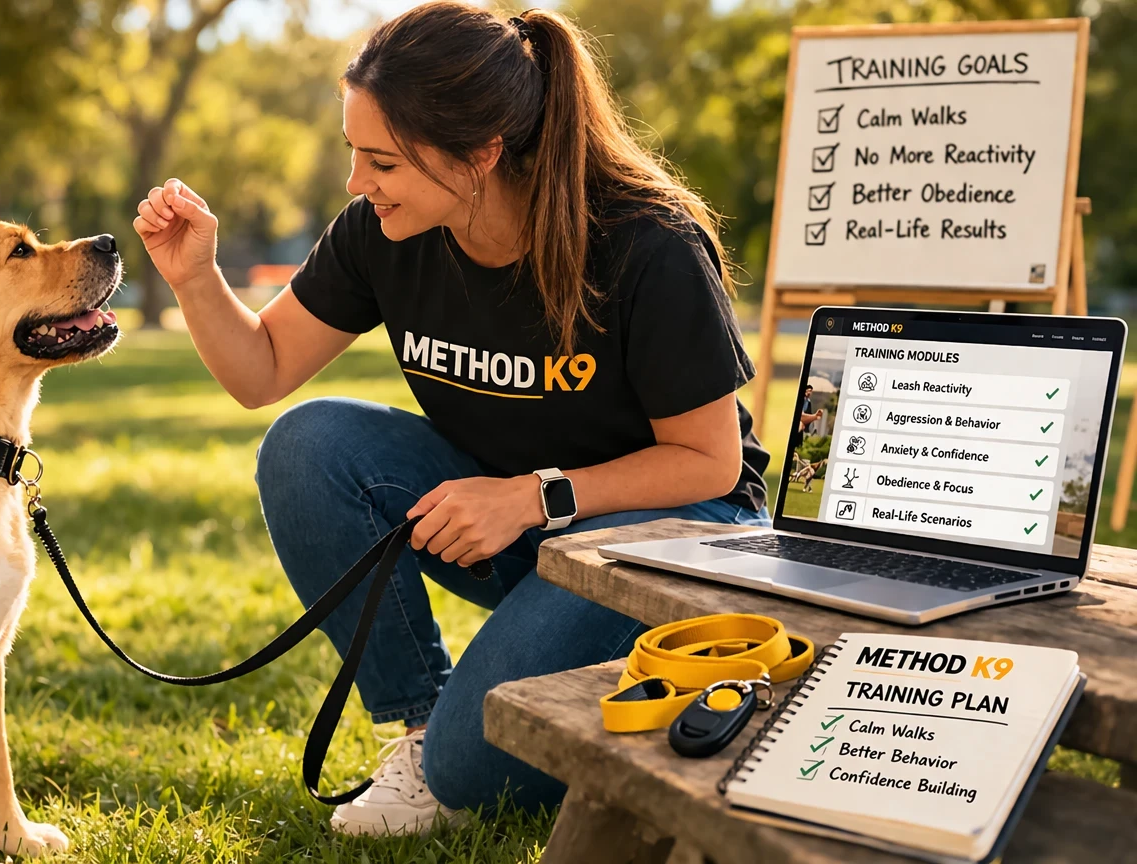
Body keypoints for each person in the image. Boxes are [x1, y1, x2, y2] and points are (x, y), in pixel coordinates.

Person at [132, 0, 771, 837]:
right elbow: (264, 372)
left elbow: (709, 465)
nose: (358, 183)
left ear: (480, 154)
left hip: (672, 534)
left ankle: (654, 674)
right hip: (520, 525)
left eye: (382, 162)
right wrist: (194, 278)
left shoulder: (646, 243)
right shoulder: (381, 232)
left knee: (474, 779)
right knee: (309, 444)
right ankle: (423, 723)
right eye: (354, 154)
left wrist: (529, 498)